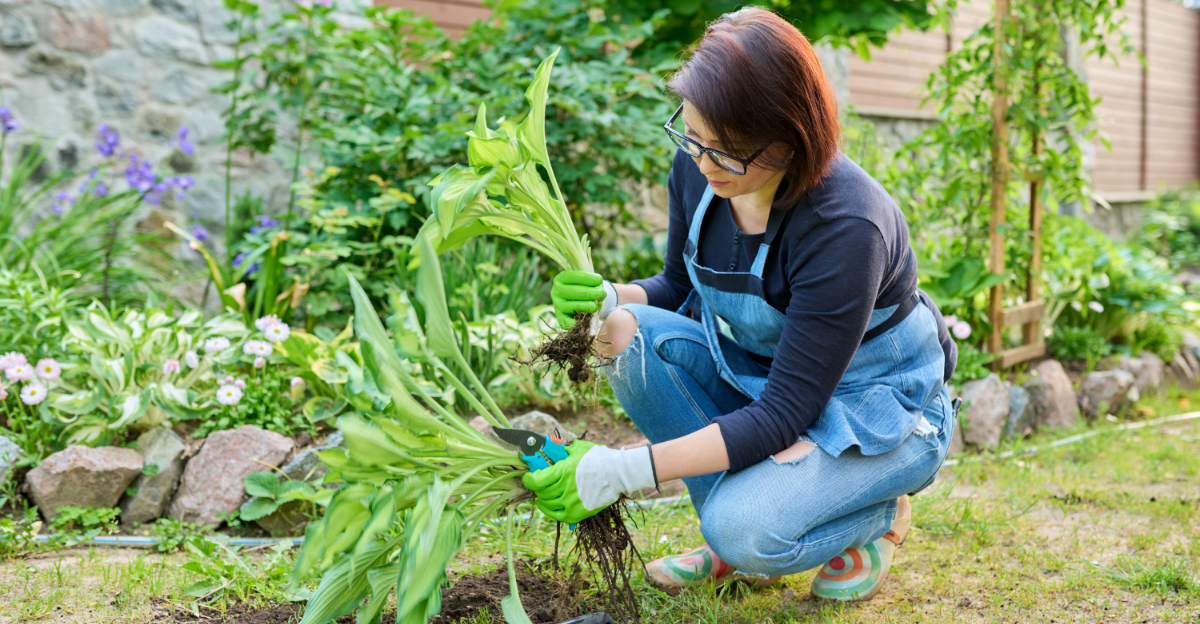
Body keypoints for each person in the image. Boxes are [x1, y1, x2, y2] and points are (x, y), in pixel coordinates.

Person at [523, 7, 959, 602]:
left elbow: (784, 414)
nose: (704, 163)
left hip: (875, 411)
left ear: (792, 136)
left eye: (728, 152)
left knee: (747, 531)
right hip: (770, 386)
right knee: (620, 333)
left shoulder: (846, 226)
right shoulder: (700, 165)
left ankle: (877, 514)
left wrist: (620, 470)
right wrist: (609, 295)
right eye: (695, 138)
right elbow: (677, 287)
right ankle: (723, 537)